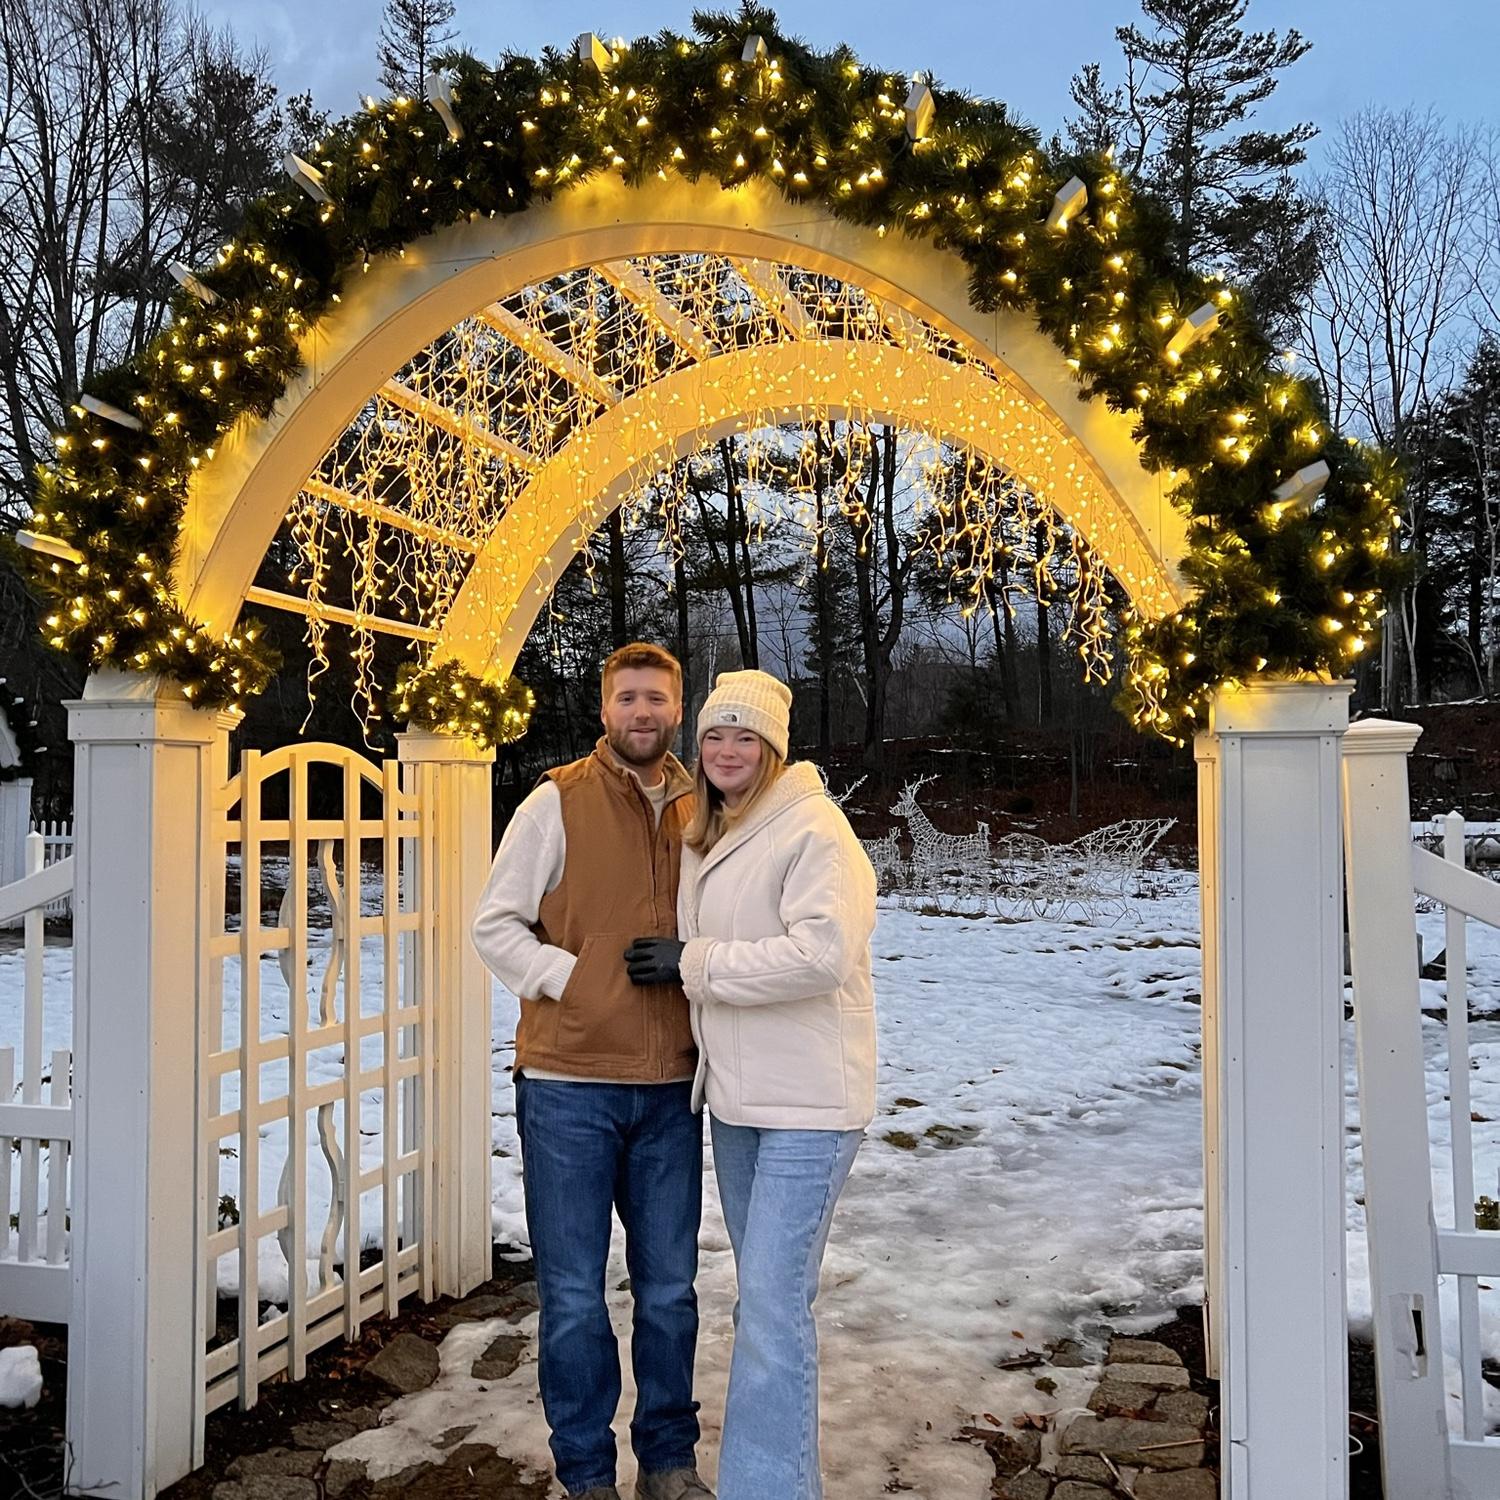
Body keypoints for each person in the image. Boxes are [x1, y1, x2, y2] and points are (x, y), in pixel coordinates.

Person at [624, 670, 878, 1500]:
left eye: (745, 738)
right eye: (715, 736)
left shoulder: (813, 829)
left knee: (770, 1304)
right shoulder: (712, 831)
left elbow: (820, 955)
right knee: (765, 1301)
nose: (727, 750)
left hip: (810, 1105)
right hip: (737, 1104)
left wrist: (693, 963)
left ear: (773, 749)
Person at [471, 642, 715, 1500]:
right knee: (574, 1294)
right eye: (627, 698)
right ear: (604, 709)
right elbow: (495, 922)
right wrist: (569, 977)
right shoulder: (556, 801)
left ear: (677, 708)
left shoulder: (705, 807)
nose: (642, 712)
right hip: (569, 1086)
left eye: (657, 698)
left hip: (671, 1088)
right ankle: (586, 1474)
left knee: (670, 1292)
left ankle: (669, 1462)